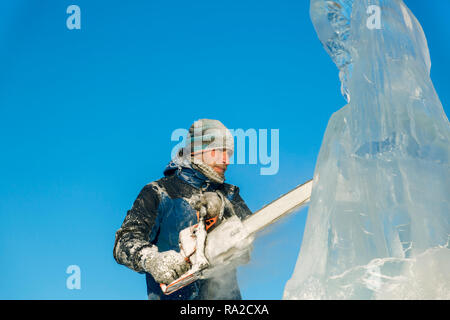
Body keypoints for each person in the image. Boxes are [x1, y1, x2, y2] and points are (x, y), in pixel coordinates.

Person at [113, 119, 253, 300]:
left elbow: (254, 234)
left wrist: (226, 211)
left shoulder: (229, 195)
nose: (226, 160)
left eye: (229, 153)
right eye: (217, 151)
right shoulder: (160, 193)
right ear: (197, 150)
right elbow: (124, 241)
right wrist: (152, 259)